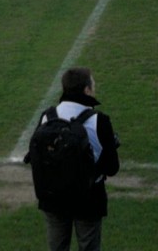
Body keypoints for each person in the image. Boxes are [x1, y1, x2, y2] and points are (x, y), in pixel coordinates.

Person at [29, 67, 120, 251]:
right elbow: (112, 167)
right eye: (92, 84)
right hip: (88, 197)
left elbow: (35, 156)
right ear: (86, 90)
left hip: (52, 196)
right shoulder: (99, 121)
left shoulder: (48, 116)